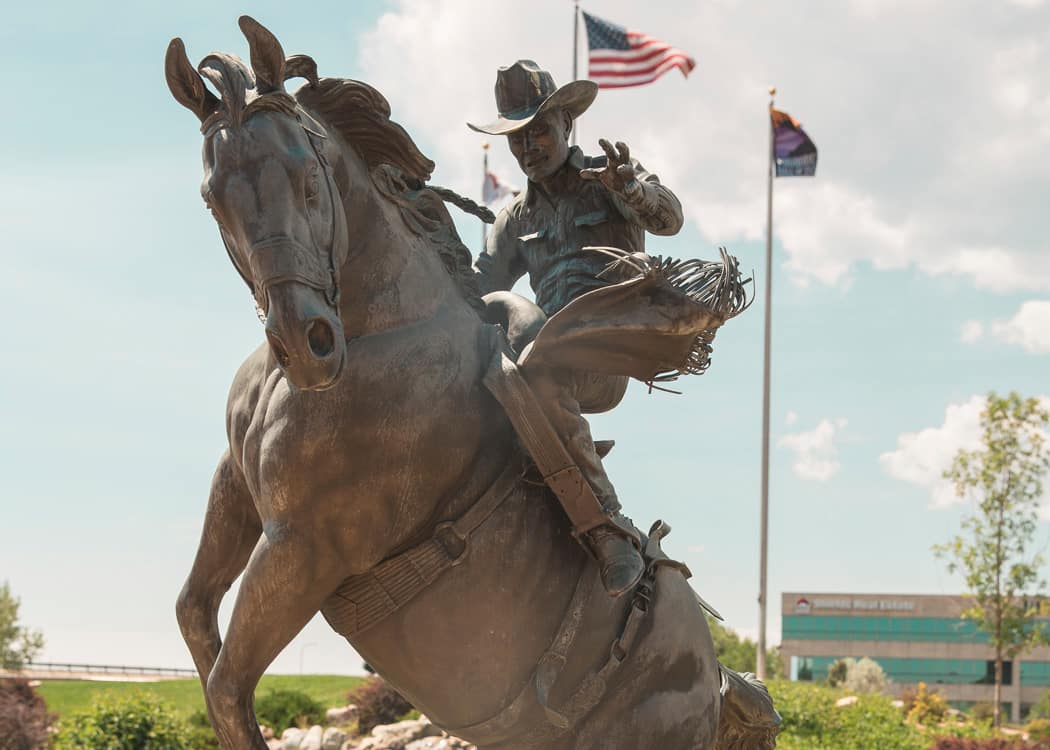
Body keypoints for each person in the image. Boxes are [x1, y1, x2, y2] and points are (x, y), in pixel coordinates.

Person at [468, 60, 684, 597]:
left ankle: (607, 524)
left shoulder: (610, 180)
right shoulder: (515, 219)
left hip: (606, 356)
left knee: (535, 361)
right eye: (516, 137)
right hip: (541, 354)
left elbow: (669, 219)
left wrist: (632, 191)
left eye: (539, 130)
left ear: (567, 124)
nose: (528, 147)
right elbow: (473, 291)